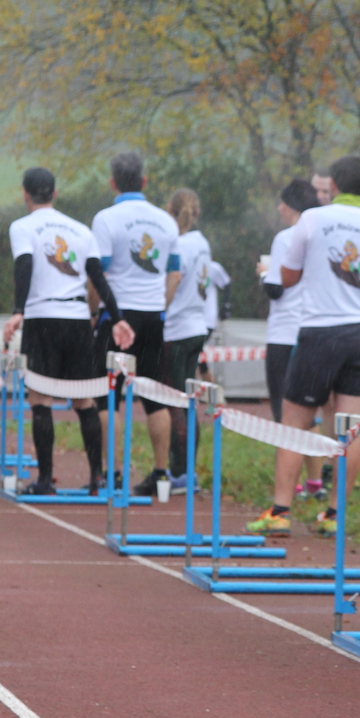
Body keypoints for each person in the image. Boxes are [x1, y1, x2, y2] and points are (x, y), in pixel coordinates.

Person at [255, 155, 360, 533]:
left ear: (332, 186)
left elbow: (287, 278)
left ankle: (280, 512)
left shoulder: (312, 219)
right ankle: (334, 516)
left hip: (320, 332)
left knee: (294, 422)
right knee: (351, 428)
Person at [3, 167, 133, 495]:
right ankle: (97, 478)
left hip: (42, 317)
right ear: (55, 193)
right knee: (84, 399)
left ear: (25, 194)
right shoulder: (80, 230)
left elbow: (24, 266)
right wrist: (117, 317)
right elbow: (97, 277)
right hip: (77, 320)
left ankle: (45, 480)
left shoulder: (22, 227)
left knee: (40, 399)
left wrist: (18, 311)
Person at [91, 151, 182, 499]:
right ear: (144, 181)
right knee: (154, 396)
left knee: (108, 397)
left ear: (113, 183)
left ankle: (113, 475)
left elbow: (97, 274)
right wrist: (160, 308)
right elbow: (175, 274)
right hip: (152, 316)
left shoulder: (106, 218)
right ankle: (160, 475)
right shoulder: (166, 221)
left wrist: (94, 312)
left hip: (116, 316)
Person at [245, 176, 323, 532]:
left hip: (283, 334)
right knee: (310, 411)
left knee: (285, 415)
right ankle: (315, 483)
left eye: (282, 202)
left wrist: (264, 274)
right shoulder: (320, 233)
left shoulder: (286, 237)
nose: (278, 208)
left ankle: (286, 496)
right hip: (313, 331)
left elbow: (276, 289)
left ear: (292, 205)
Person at [161, 188, 212, 491]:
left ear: (170, 210)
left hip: (177, 328)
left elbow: (174, 279)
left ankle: (180, 471)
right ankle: (186, 468)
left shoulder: (177, 245)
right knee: (187, 401)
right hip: (197, 325)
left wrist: (161, 309)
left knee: (174, 402)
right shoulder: (202, 243)